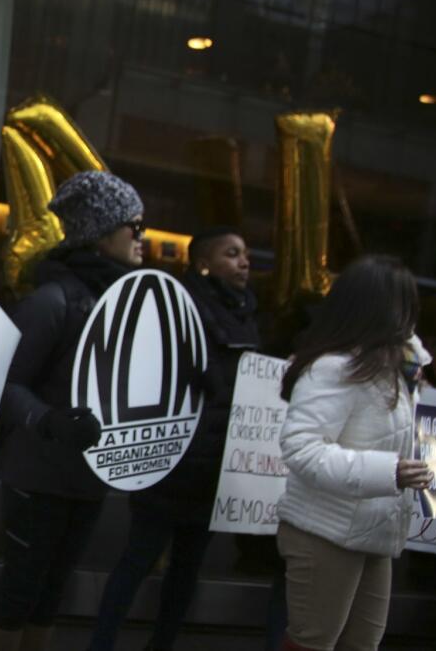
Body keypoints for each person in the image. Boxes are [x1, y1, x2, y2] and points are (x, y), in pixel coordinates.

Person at [0, 171, 145, 651]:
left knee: (53, 592)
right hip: (38, 478)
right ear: (99, 232)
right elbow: (5, 382)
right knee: (22, 588)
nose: (143, 237)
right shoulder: (52, 301)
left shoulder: (126, 303)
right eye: (134, 227)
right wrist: (47, 420)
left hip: (88, 479)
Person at [88, 226, 260, 651]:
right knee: (138, 560)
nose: (244, 263)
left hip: (215, 467)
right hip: (170, 460)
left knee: (186, 571)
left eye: (247, 255)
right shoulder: (176, 306)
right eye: (232, 254)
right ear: (203, 261)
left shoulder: (248, 314)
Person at [275, 255, 432, 651]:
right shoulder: (333, 368)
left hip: (372, 532)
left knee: (362, 643)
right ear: (382, 310)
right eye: (405, 305)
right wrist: (389, 472)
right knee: (314, 642)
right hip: (325, 533)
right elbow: (302, 450)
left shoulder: (397, 368)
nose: (411, 317)